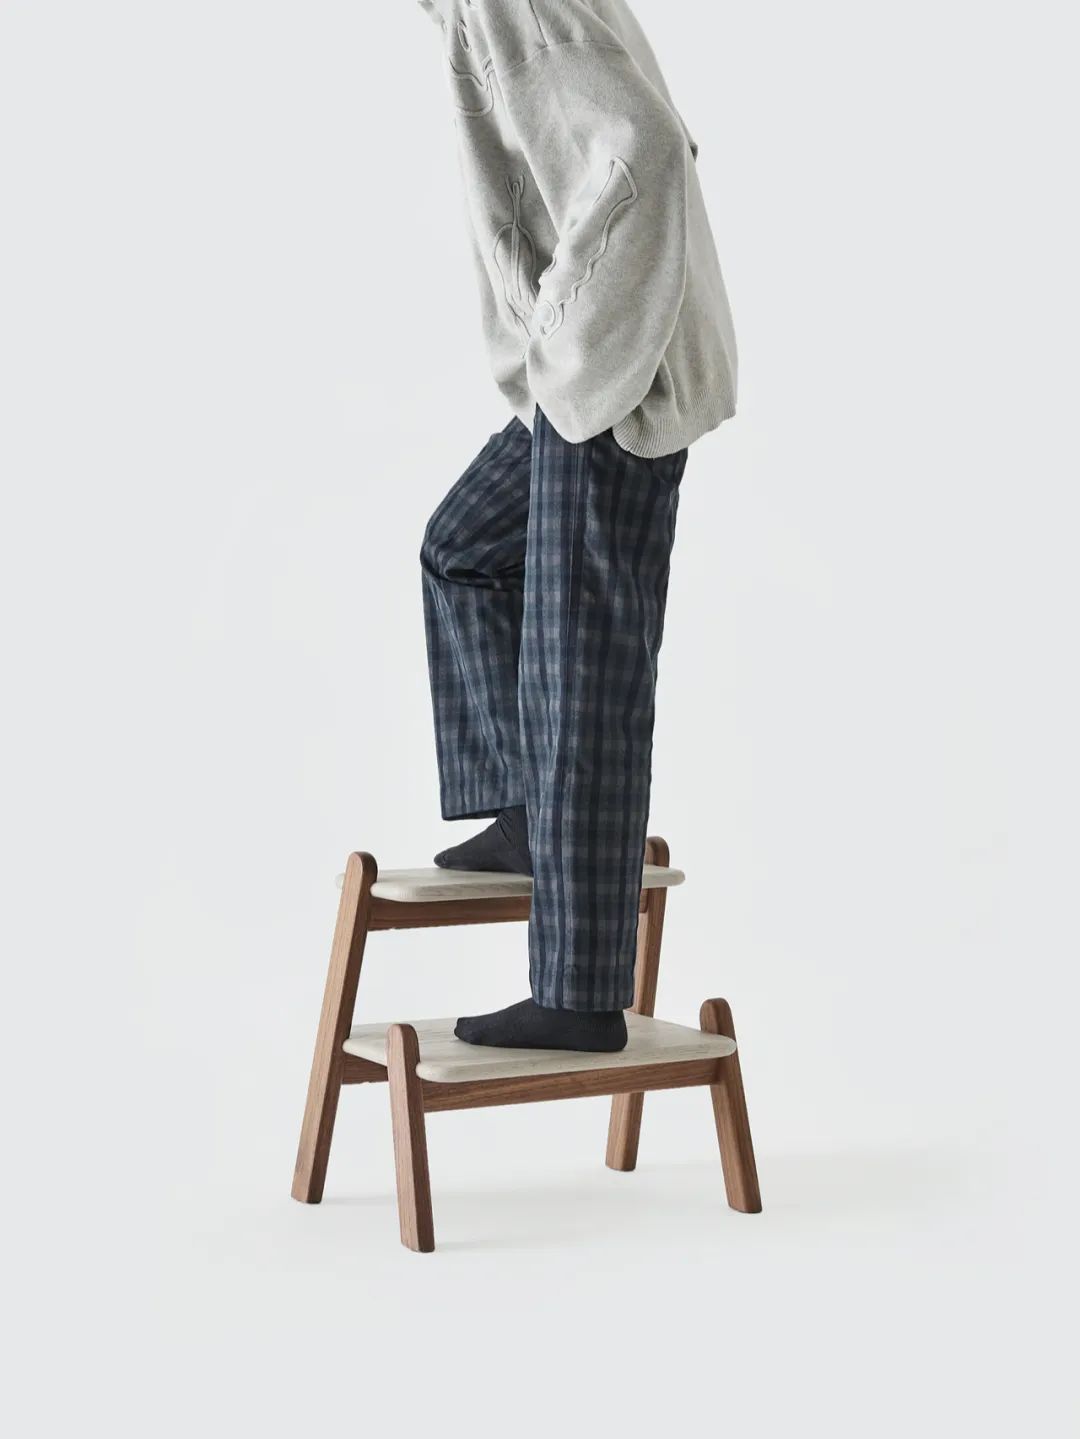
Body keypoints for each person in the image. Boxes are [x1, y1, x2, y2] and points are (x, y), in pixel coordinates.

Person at [416, 0, 737, 1051]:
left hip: (615, 377)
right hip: (595, 371)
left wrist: (570, 345)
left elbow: (645, 149)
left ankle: (579, 992)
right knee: (464, 549)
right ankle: (524, 810)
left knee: (582, 668)